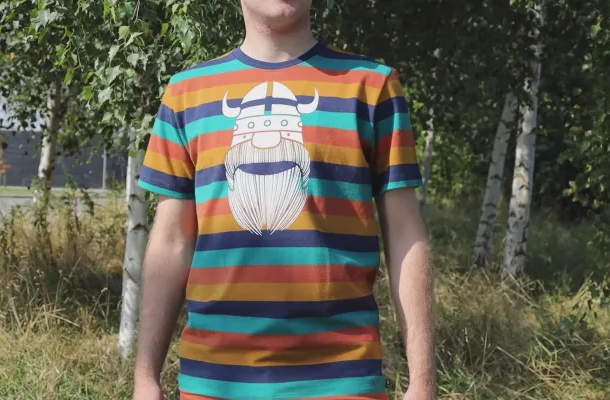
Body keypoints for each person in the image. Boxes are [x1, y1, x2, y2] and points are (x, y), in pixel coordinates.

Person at [132, 0, 435, 399]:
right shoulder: (186, 93)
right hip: (214, 380)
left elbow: (405, 233)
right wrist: (146, 378)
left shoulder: (372, 85)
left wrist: (423, 381)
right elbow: (171, 240)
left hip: (342, 378)